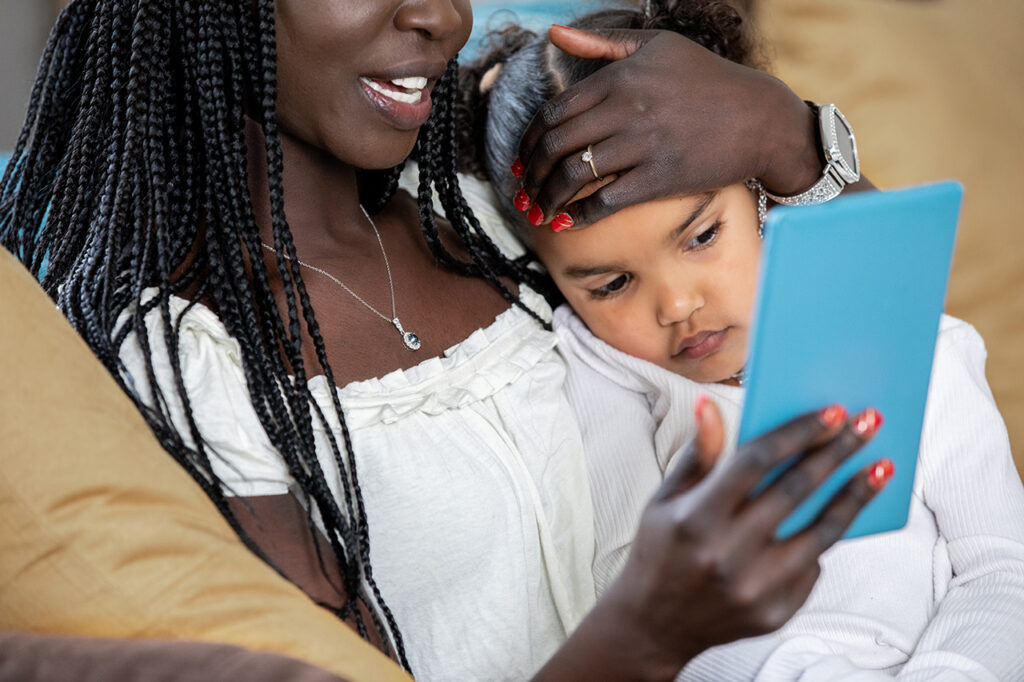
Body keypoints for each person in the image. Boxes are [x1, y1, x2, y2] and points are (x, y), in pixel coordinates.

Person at [1, 0, 888, 679]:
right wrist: (649, 631)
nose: (441, 17)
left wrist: (785, 131)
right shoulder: (190, 357)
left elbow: (888, 350)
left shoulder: (493, 218)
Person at [461, 3, 1024, 679]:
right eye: (610, 284)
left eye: (701, 237)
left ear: (758, 191)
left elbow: (1004, 569)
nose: (677, 305)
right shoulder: (596, 377)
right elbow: (624, 597)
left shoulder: (906, 342)